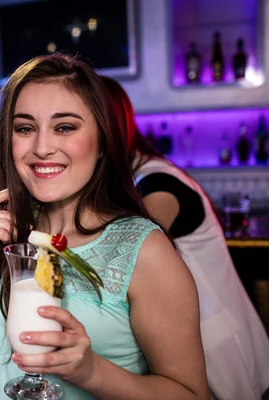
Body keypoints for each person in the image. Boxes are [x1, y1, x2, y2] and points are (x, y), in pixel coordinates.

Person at [0, 54, 209, 399]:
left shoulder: (142, 249)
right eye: (25, 128)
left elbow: (192, 395)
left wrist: (92, 372)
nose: (42, 147)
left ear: (102, 142)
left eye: (65, 127)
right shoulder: (7, 236)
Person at [101, 75, 269, 400]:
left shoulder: (158, 183)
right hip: (201, 341)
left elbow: (126, 249)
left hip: (217, 348)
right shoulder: (140, 178)